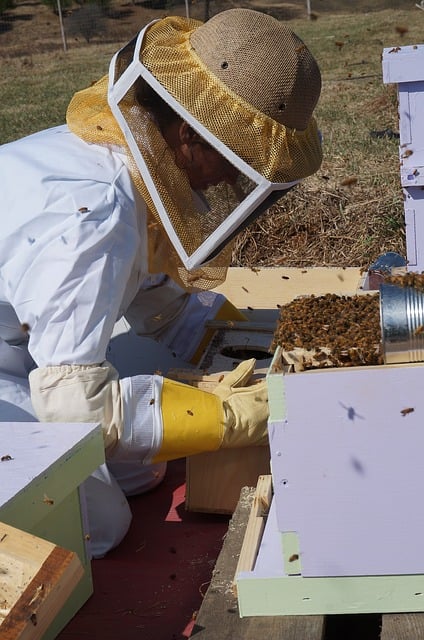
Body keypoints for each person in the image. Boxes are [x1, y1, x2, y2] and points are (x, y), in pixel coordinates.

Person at [0, 8, 322, 557]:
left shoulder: (126, 161)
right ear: (190, 133)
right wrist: (226, 418)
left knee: (136, 468)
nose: (233, 177)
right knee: (96, 524)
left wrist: (272, 341)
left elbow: (164, 308)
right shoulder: (92, 219)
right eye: (239, 157)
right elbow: (75, 408)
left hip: (17, 347)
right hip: (28, 365)